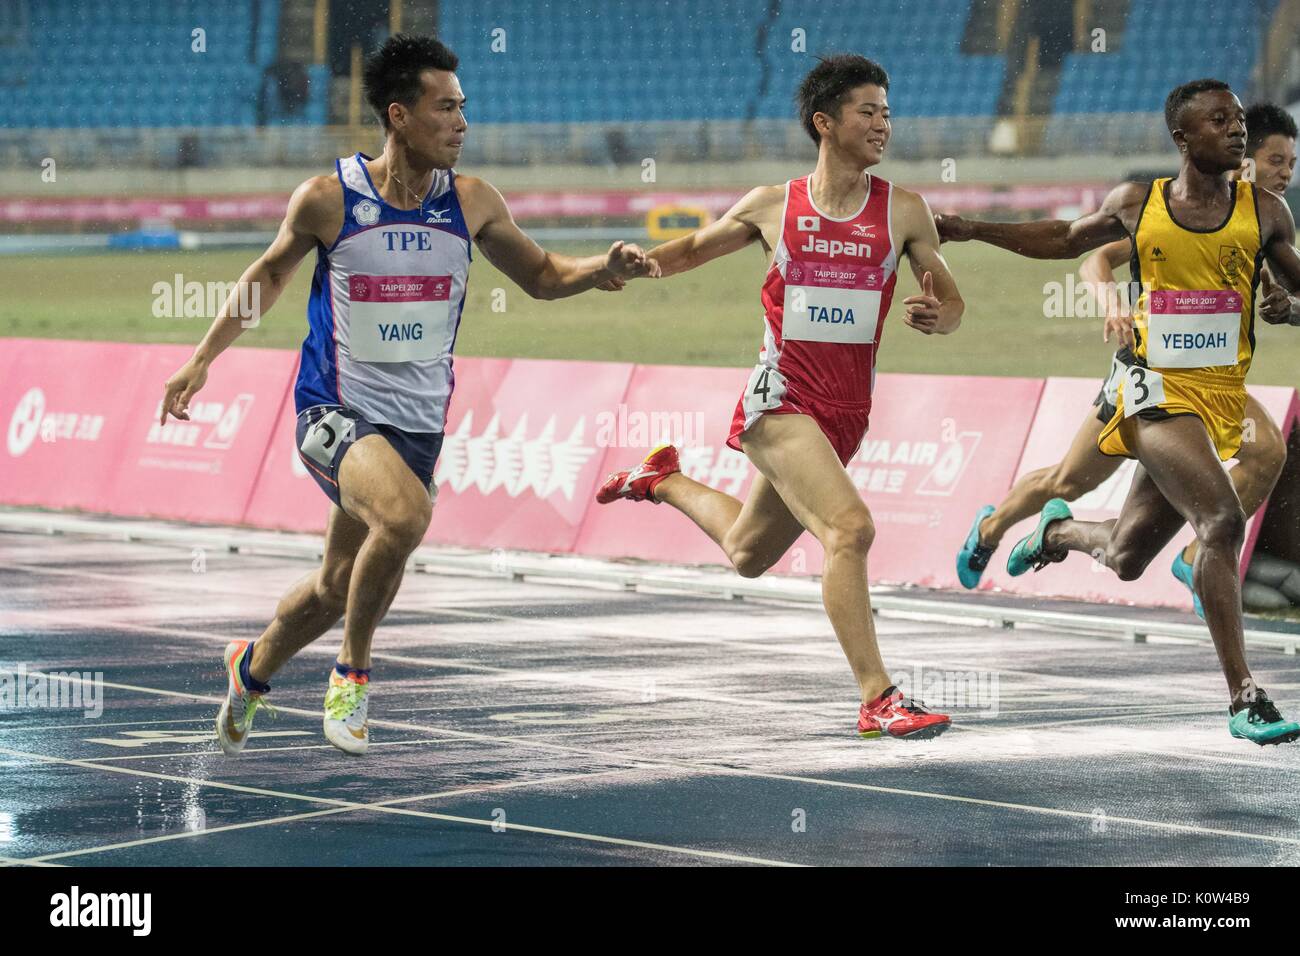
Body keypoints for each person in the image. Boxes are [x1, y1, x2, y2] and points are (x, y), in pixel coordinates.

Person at [158, 34, 657, 756]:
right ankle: (352, 676)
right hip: (333, 408)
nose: (461, 123)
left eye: (464, 108)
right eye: (445, 109)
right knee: (405, 515)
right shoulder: (329, 199)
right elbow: (267, 276)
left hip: (417, 424)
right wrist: (202, 359)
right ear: (399, 116)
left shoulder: (473, 202)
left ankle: (252, 668)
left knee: (336, 584)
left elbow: (544, 275)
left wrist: (603, 268)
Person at [596, 55, 965, 740]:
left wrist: (940, 314)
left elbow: (951, 299)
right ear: (826, 122)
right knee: (849, 530)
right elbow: (693, 250)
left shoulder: (906, 211)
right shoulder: (774, 204)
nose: (883, 123)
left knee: (748, 553)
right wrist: (634, 266)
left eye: (887, 111)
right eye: (868, 111)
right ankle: (877, 696)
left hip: (847, 415)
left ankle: (662, 480)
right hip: (781, 402)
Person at [938, 79, 1300, 745]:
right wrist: (971, 229)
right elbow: (1066, 240)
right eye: (1220, 121)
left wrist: (1287, 306)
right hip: (1154, 393)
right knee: (1218, 521)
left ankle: (1056, 537)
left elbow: (1299, 290)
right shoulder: (1142, 204)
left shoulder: (1267, 210)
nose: (1237, 130)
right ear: (1184, 138)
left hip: (1219, 394)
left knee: (1127, 556)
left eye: (1240, 119)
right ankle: (1245, 697)